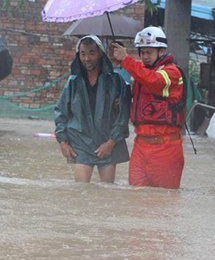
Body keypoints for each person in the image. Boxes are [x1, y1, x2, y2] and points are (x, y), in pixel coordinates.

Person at [111, 26, 186, 189]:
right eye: (142, 52)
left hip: (165, 148)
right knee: (135, 196)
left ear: (161, 52)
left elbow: (154, 81)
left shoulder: (172, 73)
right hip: (141, 145)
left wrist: (126, 60)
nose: (145, 57)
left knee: (161, 203)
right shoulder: (141, 74)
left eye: (149, 53)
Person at [54, 35, 131, 183]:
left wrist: (111, 143)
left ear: (100, 54)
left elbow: (123, 116)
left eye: (91, 53)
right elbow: (61, 112)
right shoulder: (73, 83)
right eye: (83, 54)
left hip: (108, 141)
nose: (87, 58)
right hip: (81, 143)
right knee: (81, 191)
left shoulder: (115, 81)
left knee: (107, 192)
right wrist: (63, 142)